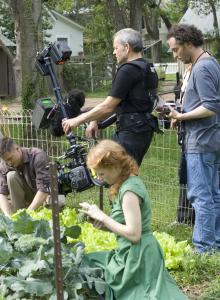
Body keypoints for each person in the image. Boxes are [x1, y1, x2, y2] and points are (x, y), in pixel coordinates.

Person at [79, 139, 187, 299]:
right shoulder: (123, 184)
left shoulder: (129, 191)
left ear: (114, 166)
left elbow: (134, 234)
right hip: (128, 252)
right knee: (88, 261)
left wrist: (102, 216)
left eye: (101, 173)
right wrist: (102, 224)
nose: (100, 178)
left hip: (138, 256)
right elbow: (124, 226)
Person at [62, 28, 160, 166]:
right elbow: (124, 103)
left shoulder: (127, 70)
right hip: (143, 129)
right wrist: (95, 120)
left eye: (116, 48)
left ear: (127, 47)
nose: (114, 52)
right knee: (122, 174)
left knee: (117, 174)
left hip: (130, 131)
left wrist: (76, 120)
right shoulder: (147, 67)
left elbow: (108, 107)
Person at [167, 24, 220, 253]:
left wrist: (182, 115)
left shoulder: (202, 68)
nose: (174, 54)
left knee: (201, 196)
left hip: (201, 141)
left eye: (176, 49)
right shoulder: (209, 62)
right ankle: (214, 244)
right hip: (210, 140)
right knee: (213, 194)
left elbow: (211, 106)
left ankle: (203, 248)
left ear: (188, 43)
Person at [0, 137, 50, 216]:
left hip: (48, 195)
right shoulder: (4, 165)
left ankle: (24, 214)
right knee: (11, 176)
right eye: (6, 160)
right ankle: (17, 214)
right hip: (30, 196)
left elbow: (44, 190)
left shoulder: (38, 156)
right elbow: (1, 194)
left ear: (17, 149)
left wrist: (27, 214)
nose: (9, 163)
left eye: (10, 158)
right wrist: (8, 216)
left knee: (54, 208)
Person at [173, 64, 195, 225]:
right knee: (184, 173)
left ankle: (190, 217)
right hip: (187, 133)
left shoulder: (201, 71)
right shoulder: (188, 72)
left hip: (200, 136)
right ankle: (184, 216)